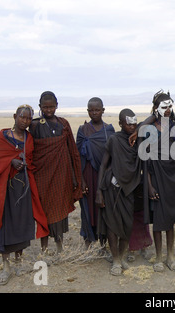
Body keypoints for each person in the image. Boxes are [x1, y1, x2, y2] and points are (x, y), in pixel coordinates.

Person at [0, 105, 49, 285]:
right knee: (6, 226)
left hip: (24, 188)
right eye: (22, 117)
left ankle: (18, 261)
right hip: (6, 189)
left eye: (29, 118)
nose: (26, 121)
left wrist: (24, 164)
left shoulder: (29, 138)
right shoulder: (3, 136)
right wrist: (10, 161)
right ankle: (6, 267)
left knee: (22, 224)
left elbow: (31, 159)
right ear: (15, 116)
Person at [29, 91, 82, 254]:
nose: (49, 110)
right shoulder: (34, 125)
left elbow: (73, 150)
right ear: (40, 107)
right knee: (43, 212)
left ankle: (60, 247)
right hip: (42, 177)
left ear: (57, 106)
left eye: (51, 107)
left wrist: (77, 178)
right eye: (45, 107)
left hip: (61, 176)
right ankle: (44, 249)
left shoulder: (63, 124)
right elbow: (30, 151)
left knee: (59, 212)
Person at [141, 90, 175, 272]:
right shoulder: (149, 128)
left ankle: (171, 256)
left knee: (170, 219)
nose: (168, 109)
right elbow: (145, 159)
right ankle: (158, 257)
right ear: (156, 108)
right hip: (155, 178)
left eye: (170, 106)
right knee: (158, 219)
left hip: (173, 179)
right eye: (164, 106)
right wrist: (149, 185)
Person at [95, 109, 142, 276]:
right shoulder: (114, 140)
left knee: (127, 225)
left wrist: (138, 130)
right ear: (120, 124)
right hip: (112, 188)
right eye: (128, 123)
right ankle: (115, 260)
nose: (131, 126)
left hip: (129, 190)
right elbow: (103, 165)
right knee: (113, 226)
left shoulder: (137, 140)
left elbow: (149, 122)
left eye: (134, 123)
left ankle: (122, 256)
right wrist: (99, 190)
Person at [76, 97, 115, 248]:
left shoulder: (109, 130)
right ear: (87, 111)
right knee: (87, 208)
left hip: (104, 176)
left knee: (103, 208)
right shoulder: (83, 130)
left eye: (97, 110)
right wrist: (81, 180)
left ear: (103, 110)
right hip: (87, 175)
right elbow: (77, 156)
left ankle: (103, 244)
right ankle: (88, 244)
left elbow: (113, 156)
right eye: (91, 110)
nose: (94, 113)